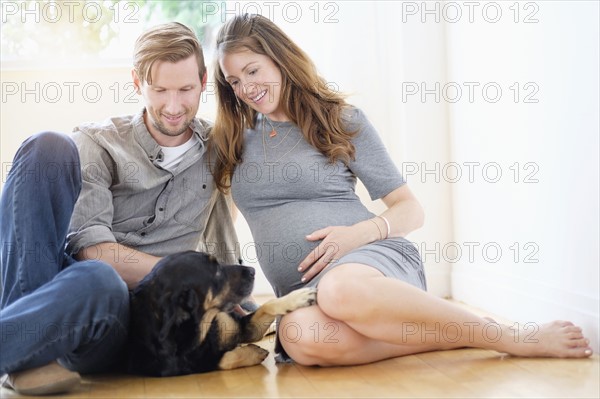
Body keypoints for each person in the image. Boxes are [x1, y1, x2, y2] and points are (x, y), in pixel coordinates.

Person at [210, 14, 593, 366]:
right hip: (302, 291)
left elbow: (410, 210)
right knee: (298, 337)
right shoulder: (232, 141)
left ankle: (506, 336)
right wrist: (234, 300)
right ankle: (450, 336)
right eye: (235, 81)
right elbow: (218, 227)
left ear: (279, 58)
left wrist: (356, 235)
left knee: (339, 290)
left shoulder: (339, 120)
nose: (246, 87)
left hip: (371, 264)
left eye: (252, 70)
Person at [0, 22, 241, 395]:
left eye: (186, 89)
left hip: (123, 322)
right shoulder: (98, 142)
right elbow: (94, 251)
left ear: (204, 80)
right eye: (159, 90)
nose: (174, 106)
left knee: (102, 282)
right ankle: (28, 353)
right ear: (136, 82)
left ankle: (20, 351)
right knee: (47, 146)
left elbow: (223, 231)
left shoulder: (220, 148)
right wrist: (185, 277)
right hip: (70, 289)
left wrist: (226, 290)